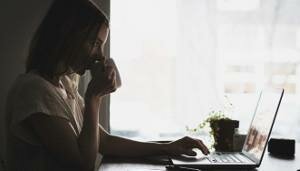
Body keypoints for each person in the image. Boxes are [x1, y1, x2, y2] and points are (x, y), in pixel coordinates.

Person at [5, 0, 209, 170]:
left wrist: (167, 147)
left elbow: (105, 142)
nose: (100, 55)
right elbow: (82, 166)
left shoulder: (64, 86)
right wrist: (93, 98)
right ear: (67, 37)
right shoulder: (35, 90)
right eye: (94, 43)